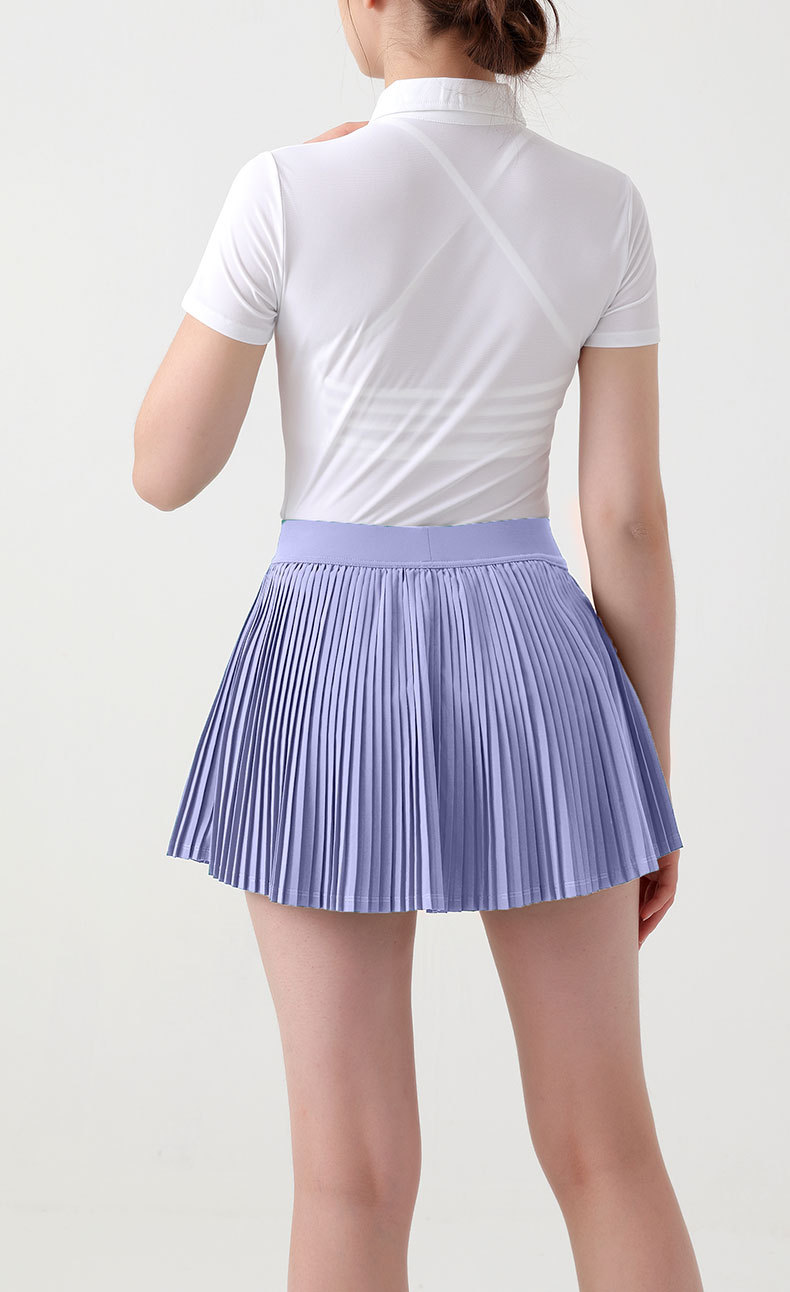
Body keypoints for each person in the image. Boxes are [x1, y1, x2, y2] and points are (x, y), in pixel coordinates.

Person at [133, 2, 704, 1288]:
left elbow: (164, 469)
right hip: (537, 662)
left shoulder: (284, 189)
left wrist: (270, 231)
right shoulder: (603, 205)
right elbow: (624, 518)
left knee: (350, 1171)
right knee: (606, 1149)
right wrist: (645, 773)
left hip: (326, 660)